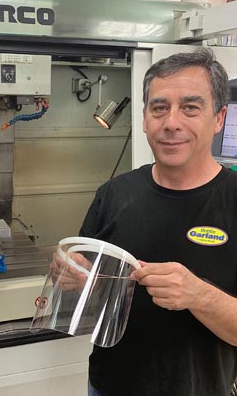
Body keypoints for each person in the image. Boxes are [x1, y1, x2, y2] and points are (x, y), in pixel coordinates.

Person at [52, 48, 237, 396]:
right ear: (144, 117)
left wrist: (199, 295)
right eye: (159, 107)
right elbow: (91, 291)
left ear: (219, 118)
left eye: (191, 107)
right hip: (109, 386)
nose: (171, 123)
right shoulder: (114, 193)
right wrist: (71, 275)